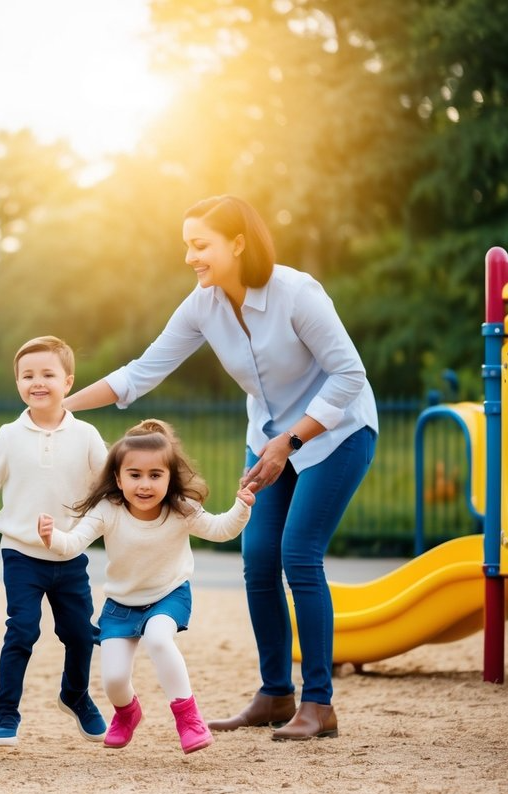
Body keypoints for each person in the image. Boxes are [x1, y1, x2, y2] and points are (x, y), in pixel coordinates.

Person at [64, 195, 377, 740]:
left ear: (237, 244)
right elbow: (142, 372)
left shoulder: (296, 293)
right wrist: (60, 407)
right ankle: (276, 694)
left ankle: (319, 703)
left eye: (200, 245)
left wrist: (290, 440)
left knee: (298, 555)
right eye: (187, 245)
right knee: (257, 560)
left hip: (337, 431)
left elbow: (349, 375)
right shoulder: (202, 303)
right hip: (269, 439)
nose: (190, 257)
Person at [37, 419, 257, 754]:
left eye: (156, 475)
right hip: (120, 605)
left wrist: (242, 507)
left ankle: (188, 718)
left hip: (169, 595)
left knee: (158, 638)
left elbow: (221, 529)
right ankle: (127, 713)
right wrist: (52, 538)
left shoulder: (181, 508)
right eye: (135, 475)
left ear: (170, 478)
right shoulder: (107, 510)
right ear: (118, 478)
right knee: (112, 679)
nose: (145, 484)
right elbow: (73, 543)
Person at [0, 335, 109, 748]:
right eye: (27, 375)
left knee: (80, 635)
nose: (38, 382)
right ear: (17, 382)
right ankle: (5, 714)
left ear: (68, 381)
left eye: (48, 374)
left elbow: (111, 486)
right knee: (22, 631)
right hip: (21, 554)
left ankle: (75, 695)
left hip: (69, 553)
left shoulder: (86, 435)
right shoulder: (9, 435)